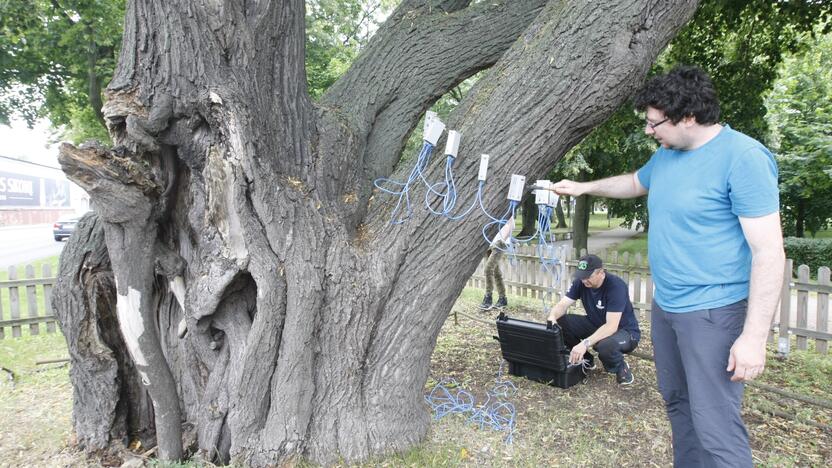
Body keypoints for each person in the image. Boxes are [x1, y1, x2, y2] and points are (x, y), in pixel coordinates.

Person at [552, 66, 785, 467]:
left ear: (688, 117)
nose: (648, 131)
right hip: (669, 309)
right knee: (678, 405)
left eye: (654, 122)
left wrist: (753, 337)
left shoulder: (743, 158)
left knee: (716, 425)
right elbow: (634, 183)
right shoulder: (668, 155)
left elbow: (769, 253)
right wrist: (584, 188)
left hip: (714, 313)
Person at [547, 254, 640, 385]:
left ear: (601, 273)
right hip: (596, 324)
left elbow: (611, 327)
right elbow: (562, 305)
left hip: (624, 332)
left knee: (605, 346)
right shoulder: (581, 282)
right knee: (561, 323)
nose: (584, 280)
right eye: (581, 276)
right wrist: (552, 317)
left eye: (588, 276)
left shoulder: (616, 286)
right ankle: (586, 360)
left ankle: (621, 368)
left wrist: (584, 343)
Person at [479, 216, 514, 310]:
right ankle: (503, 299)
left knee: (488, 269)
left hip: (500, 243)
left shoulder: (509, 208)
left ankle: (488, 298)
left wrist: (503, 239)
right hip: (490, 242)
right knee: (496, 272)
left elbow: (510, 225)